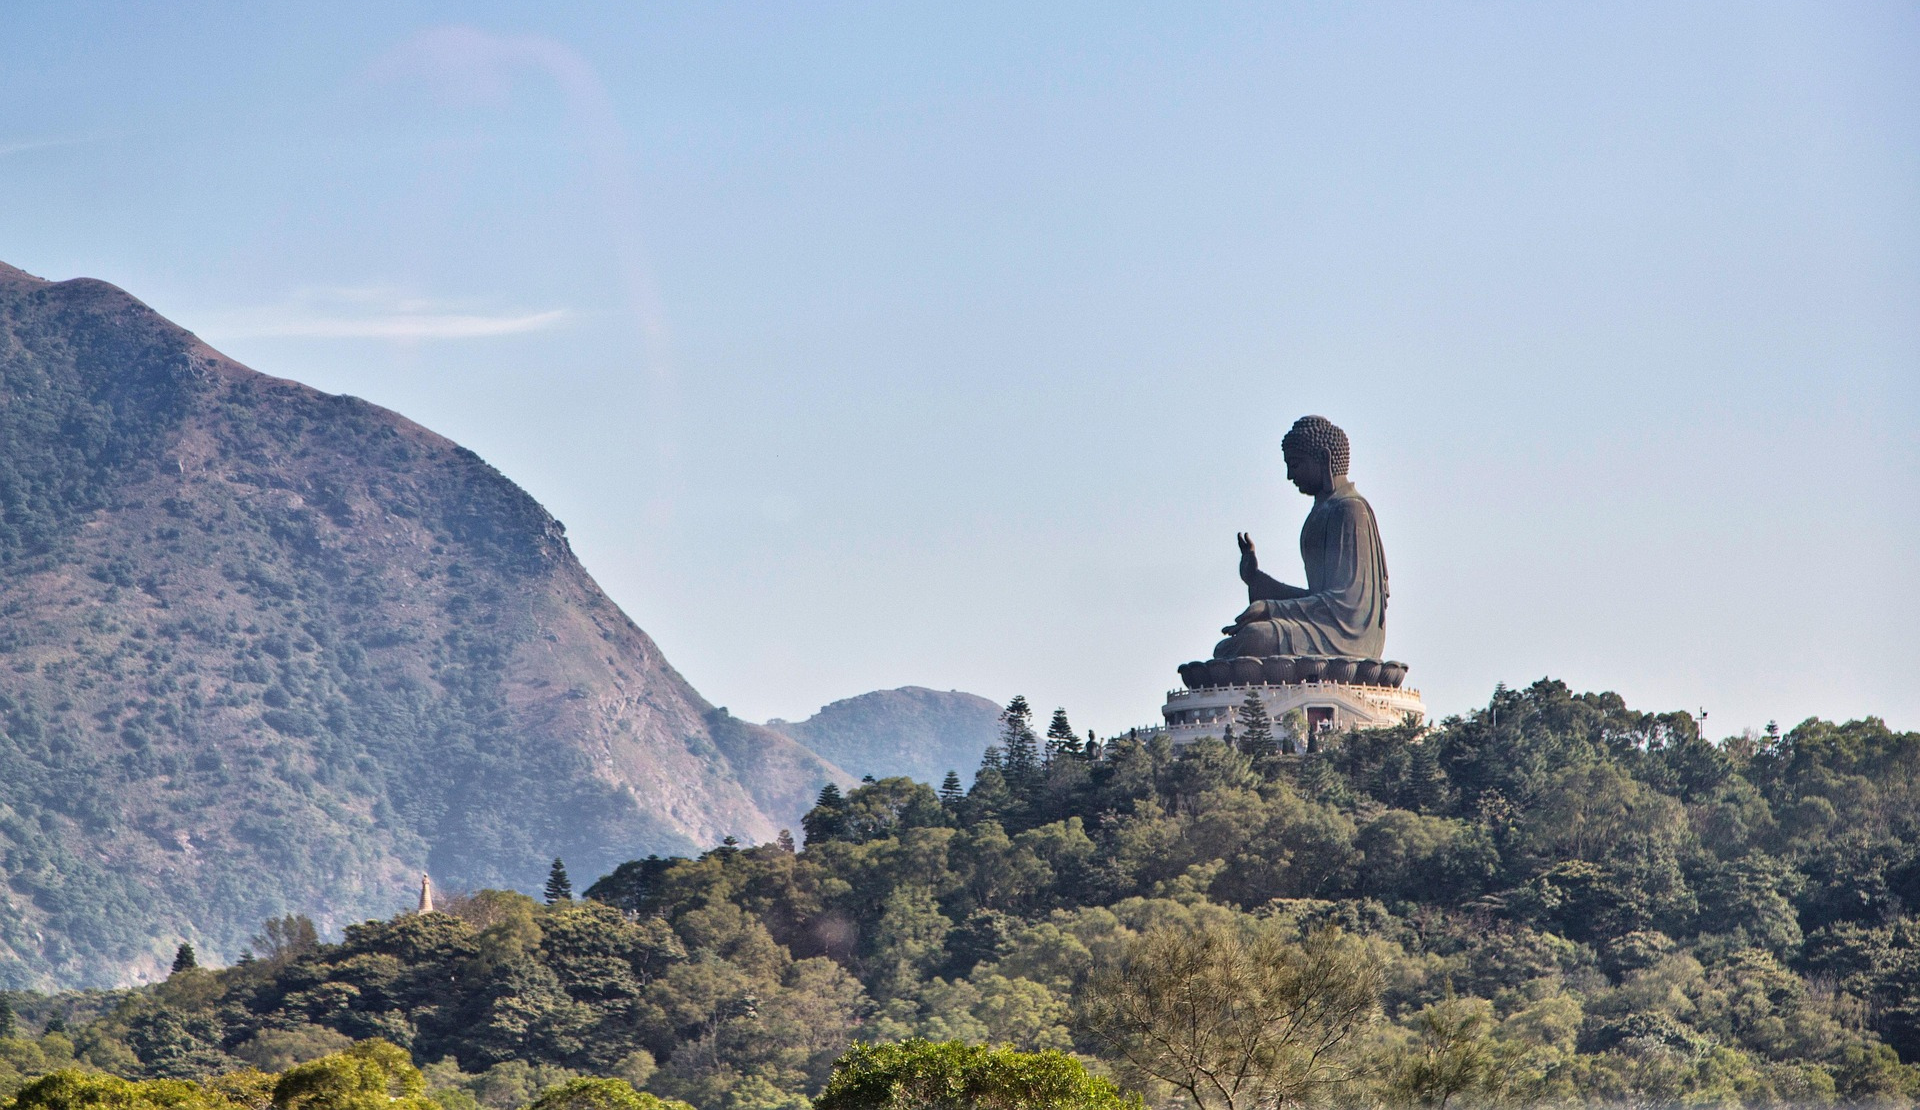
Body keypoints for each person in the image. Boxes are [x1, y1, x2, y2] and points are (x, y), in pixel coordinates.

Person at [1214, 415, 1388, 660]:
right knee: (1231, 647)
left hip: (1346, 638)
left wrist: (1271, 607)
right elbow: (1316, 599)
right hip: (1321, 628)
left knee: (1253, 639)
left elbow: (1346, 607)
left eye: (1295, 465)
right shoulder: (1322, 511)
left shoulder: (1350, 510)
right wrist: (1257, 580)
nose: (1289, 475)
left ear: (1324, 459)